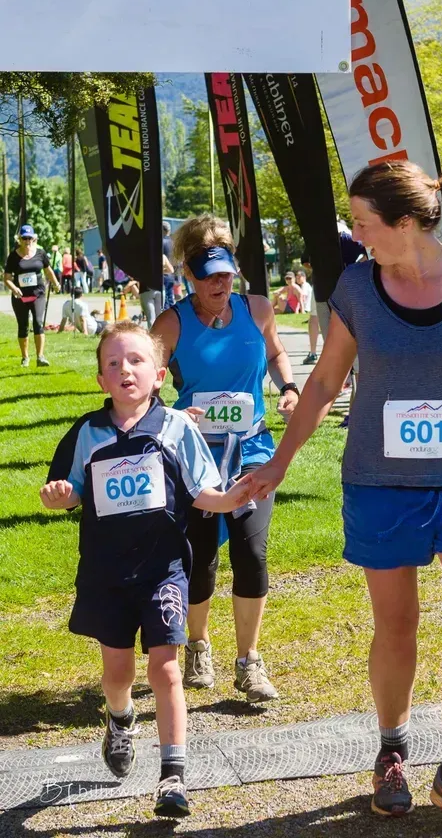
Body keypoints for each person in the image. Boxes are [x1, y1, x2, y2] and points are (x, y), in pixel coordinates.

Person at [250, 161, 442, 831]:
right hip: (380, 481)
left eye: (363, 222)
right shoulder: (359, 286)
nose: (354, 232)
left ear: (404, 222)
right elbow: (326, 382)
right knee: (397, 626)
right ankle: (391, 753)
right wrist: (281, 461)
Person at [40, 323, 256, 817]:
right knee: (117, 673)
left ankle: (172, 777)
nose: (125, 371)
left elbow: (205, 491)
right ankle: (120, 718)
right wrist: (58, 497)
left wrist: (234, 496)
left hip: (163, 570)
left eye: (135, 361)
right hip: (106, 574)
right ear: (100, 380)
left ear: (158, 375)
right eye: (113, 364)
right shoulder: (88, 433)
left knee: (165, 668)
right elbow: (71, 488)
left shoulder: (177, 428)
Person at [151, 215, 299, 701]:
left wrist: (289, 387)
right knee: (202, 558)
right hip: (195, 458)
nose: (220, 282)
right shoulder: (171, 322)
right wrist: (173, 412)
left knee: (252, 552)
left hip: (252, 450)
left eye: (226, 272)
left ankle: (249, 661)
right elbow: (145, 384)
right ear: (188, 275)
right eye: (209, 274)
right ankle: (198, 644)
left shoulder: (257, 308)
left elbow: (276, 354)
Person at [4, 224, 60, 367]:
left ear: (34, 239)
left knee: (38, 323)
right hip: (20, 296)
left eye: (30, 238)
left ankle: (40, 357)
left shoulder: (40, 253)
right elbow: (7, 278)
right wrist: (14, 288)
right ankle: (25, 357)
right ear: (20, 240)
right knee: (23, 326)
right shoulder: (13, 256)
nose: (27, 241)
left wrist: (56, 283)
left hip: (38, 294)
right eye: (24, 238)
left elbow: (48, 271)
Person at [163, 222, 176, 310]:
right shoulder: (173, 242)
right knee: (171, 298)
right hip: (172, 273)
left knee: (165, 301)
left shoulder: (161, 242)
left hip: (164, 273)